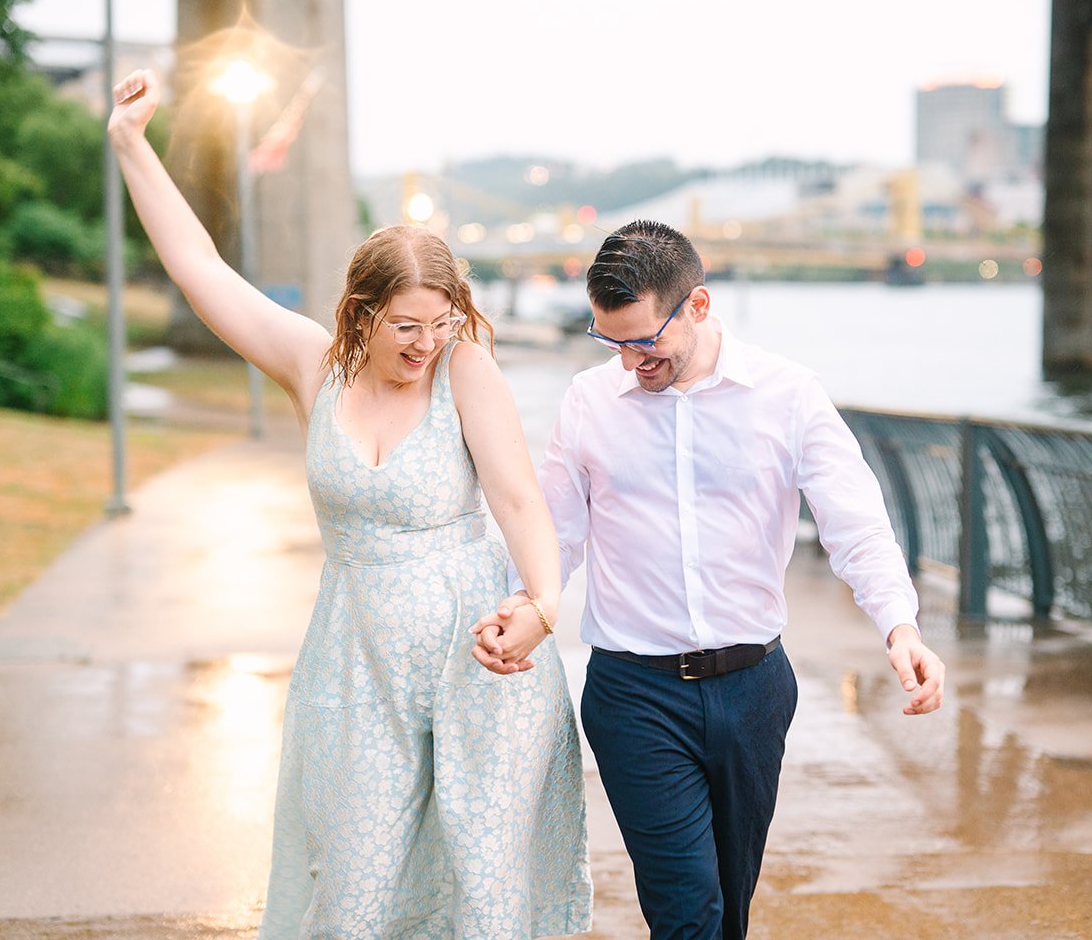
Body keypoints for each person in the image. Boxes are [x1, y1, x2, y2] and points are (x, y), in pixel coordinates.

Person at [106, 69, 591, 940]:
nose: (426, 343)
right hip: (354, 658)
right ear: (361, 313)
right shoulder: (311, 366)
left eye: (440, 321)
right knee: (357, 889)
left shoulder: (464, 367)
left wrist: (543, 605)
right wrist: (131, 144)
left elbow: (518, 497)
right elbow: (198, 267)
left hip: (476, 657)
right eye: (407, 324)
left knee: (480, 892)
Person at [472, 220, 944, 940]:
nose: (630, 361)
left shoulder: (788, 395)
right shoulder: (589, 402)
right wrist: (523, 604)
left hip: (755, 687)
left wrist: (900, 624)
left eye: (644, 340)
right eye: (612, 342)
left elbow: (855, 521)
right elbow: (555, 530)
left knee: (728, 909)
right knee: (686, 908)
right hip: (634, 694)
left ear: (697, 306)